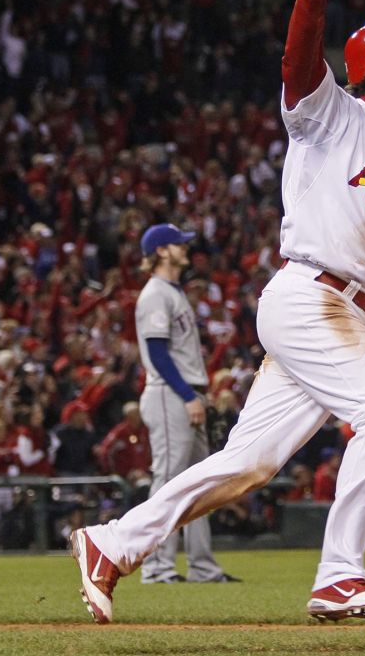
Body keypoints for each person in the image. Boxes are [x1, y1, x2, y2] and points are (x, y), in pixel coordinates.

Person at [69, 0, 365, 624]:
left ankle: (111, 542)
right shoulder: (332, 116)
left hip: (348, 312)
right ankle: (339, 576)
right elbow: (297, 59)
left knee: (249, 465)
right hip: (312, 296)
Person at [130, 223, 236, 585]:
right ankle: (156, 567)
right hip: (170, 392)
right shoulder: (155, 293)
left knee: (199, 484)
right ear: (161, 251)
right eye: (179, 244)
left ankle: (202, 568)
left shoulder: (173, 292)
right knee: (168, 480)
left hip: (188, 393)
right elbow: (157, 354)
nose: (185, 249)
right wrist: (188, 395)